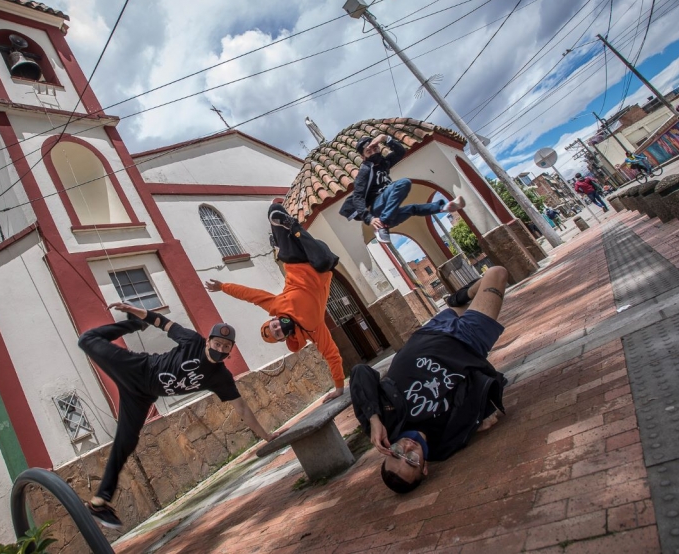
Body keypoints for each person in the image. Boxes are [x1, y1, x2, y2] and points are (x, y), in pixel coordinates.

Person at [78, 303, 281, 528]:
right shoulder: (192, 340)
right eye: (217, 343)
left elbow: (241, 408)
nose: (220, 349)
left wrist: (267, 436)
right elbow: (161, 322)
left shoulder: (220, 377)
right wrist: (135, 313)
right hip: (138, 368)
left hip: (141, 396)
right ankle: (131, 325)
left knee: (125, 442)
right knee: (86, 340)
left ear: (230, 350)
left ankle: (99, 503)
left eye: (226, 347)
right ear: (208, 341)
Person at [350, 267, 508, 494]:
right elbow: (474, 403)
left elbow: (360, 372)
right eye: (412, 461)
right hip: (468, 341)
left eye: (397, 454)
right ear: (424, 469)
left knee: (461, 303)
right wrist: (481, 417)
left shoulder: (382, 425)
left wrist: (373, 419)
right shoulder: (446, 444)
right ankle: (463, 297)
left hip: (429, 334)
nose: (407, 450)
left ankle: (462, 298)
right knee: (497, 274)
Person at [205, 203, 345, 403]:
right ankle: (292, 229)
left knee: (274, 210)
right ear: (284, 338)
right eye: (278, 332)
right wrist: (339, 388)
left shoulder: (275, 306)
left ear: (273, 319)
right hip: (319, 260)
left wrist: (223, 287)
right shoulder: (313, 330)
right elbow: (332, 355)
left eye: (274, 325)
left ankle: (280, 237)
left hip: (295, 259)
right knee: (325, 262)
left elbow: (250, 295)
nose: (279, 326)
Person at [338, 134, 466, 243]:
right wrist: (369, 219)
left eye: (375, 148)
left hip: (386, 217)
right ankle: (382, 224)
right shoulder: (365, 170)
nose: (373, 153)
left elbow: (400, 152)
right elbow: (357, 197)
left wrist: (385, 138)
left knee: (412, 209)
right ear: (363, 157)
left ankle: (444, 207)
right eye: (368, 151)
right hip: (376, 210)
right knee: (404, 183)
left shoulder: (384, 164)